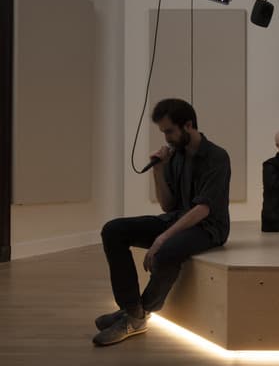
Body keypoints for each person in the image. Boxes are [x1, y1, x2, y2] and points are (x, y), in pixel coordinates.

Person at [94, 98, 232, 346]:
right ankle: (132, 309)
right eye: (163, 132)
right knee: (113, 230)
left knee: (166, 251)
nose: (166, 137)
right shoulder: (176, 156)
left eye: (169, 131)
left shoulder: (217, 157)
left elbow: (203, 209)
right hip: (178, 217)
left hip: (208, 227)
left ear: (188, 125)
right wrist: (159, 170)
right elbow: (168, 206)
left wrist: (162, 238)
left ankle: (137, 317)